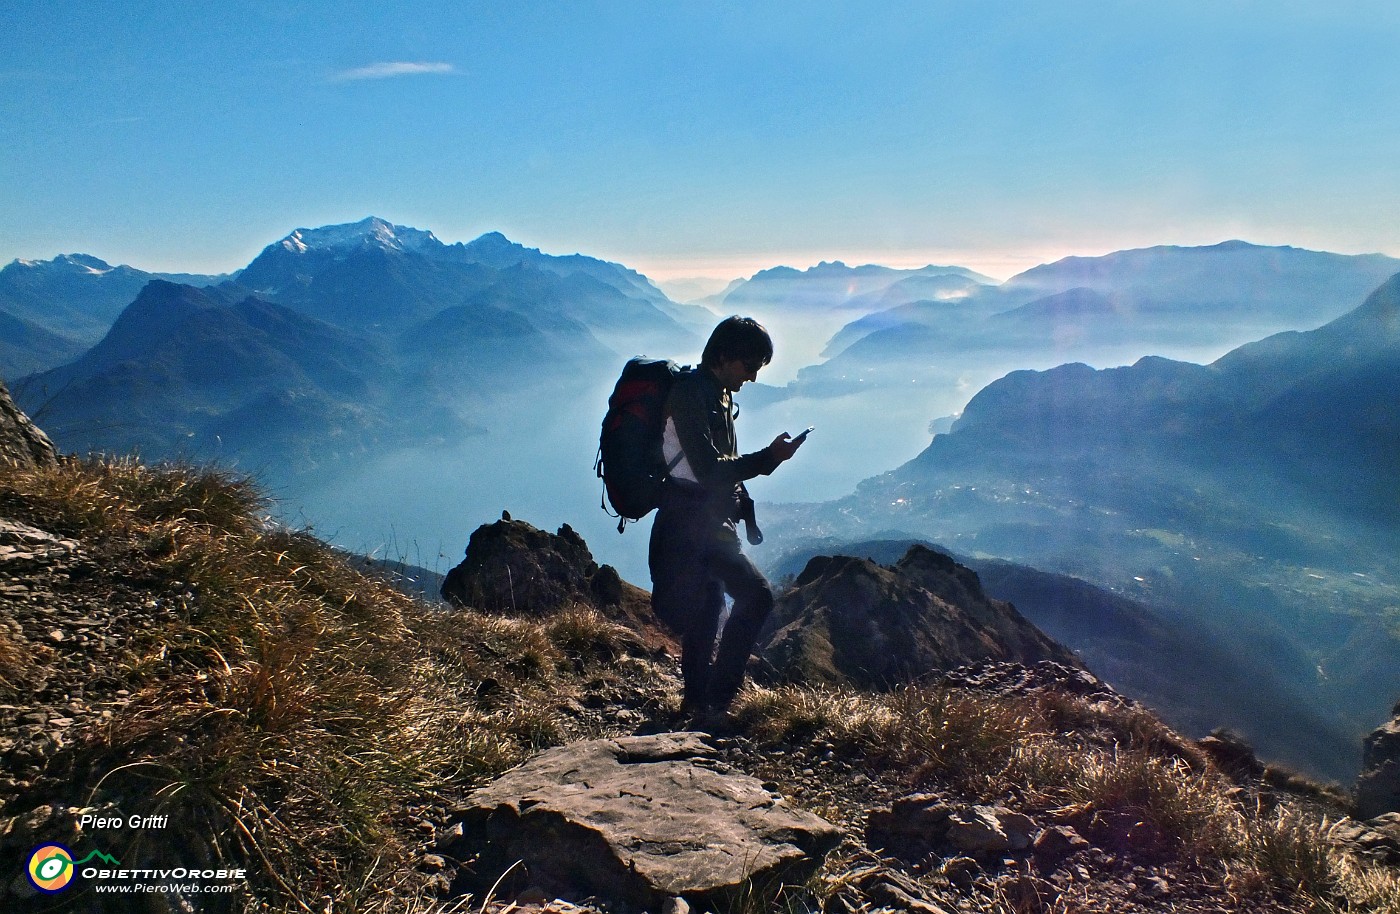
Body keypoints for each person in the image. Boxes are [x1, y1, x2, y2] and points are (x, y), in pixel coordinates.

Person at [649, 316, 805, 728]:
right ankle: (716, 700)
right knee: (754, 595)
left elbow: (720, 468)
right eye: (748, 366)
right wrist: (768, 459)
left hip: (704, 518)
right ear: (723, 356)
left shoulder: (715, 394)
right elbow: (707, 469)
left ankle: (700, 704)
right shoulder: (689, 394)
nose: (752, 377)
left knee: (709, 607)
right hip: (690, 520)